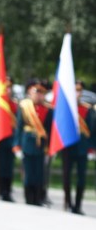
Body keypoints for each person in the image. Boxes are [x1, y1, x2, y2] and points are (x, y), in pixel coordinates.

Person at [14, 80, 52, 205]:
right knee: (28, 173)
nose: (39, 95)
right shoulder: (24, 107)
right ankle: (29, 198)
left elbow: (49, 130)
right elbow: (19, 127)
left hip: (41, 145)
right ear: (30, 92)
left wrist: (50, 148)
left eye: (42, 93)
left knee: (39, 173)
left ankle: (38, 198)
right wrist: (17, 146)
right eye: (36, 92)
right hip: (27, 143)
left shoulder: (48, 109)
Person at [60, 83, 95, 214]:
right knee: (66, 176)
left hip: (82, 147)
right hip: (68, 147)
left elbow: (92, 130)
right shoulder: (66, 108)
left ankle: (78, 205)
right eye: (75, 90)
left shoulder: (87, 109)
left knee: (81, 178)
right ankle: (68, 203)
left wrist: (92, 148)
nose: (77, 93)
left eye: (79, 91)